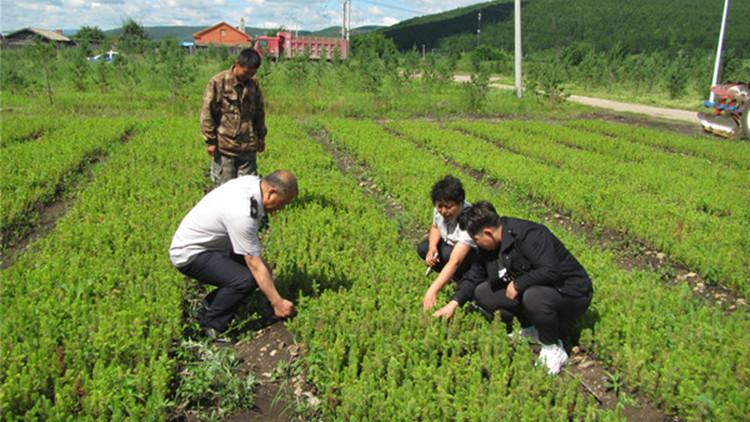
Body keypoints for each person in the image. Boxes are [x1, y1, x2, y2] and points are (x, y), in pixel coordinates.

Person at [433, 201, 593, 375]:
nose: (476, 244)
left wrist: (519, 283)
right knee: (483, 293)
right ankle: (532, 328)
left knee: (533, 296)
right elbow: (474, 276)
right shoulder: (489, 246)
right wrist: (454, 303)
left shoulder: (530, 235)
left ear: (488, 233)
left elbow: (551, 271)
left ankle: (552, 346)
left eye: (477, 240)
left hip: (571, 293)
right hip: (538, 291)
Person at [169, 170, 297, 342]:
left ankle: (209, 305)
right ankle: (212, 326)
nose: (281, 209)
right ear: (271, 193)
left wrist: (272, 288)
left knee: (257, 272)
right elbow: (253, 263)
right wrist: (278, 303)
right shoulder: (243, 213)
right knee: (245, 280)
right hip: (190, 254)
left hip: (211, 245)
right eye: (282, 203)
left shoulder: (253, 183)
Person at [200, 48, 267, 187]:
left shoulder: (253, 85)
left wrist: (261, 138)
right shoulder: (218, 82)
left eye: (253, 73)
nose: (249, 76)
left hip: (248, 148)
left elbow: (259, 113)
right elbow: (207, 113)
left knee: (248, 189)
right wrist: (210, 141)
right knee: (224, 189)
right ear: (237, 64)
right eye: (246, 72)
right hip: (225, 147)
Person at [416, 176, 477, 311]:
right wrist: (432, 248)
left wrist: (433, 290)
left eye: (449, 207)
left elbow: (455, 260)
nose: (443, 211)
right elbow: (435, 227)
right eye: (439, 206)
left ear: (461, 203)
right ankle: (451, 278)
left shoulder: (469, 219)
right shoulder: (440, 209)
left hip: (471, 257)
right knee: (423, 248)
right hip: (450, 248)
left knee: (447, 253)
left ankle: (463, 282)